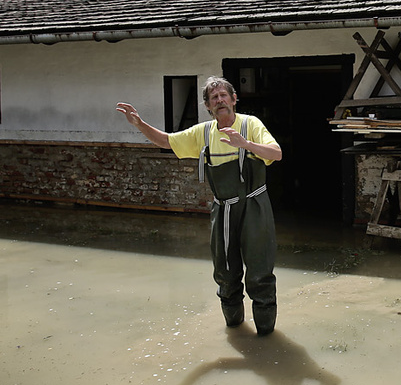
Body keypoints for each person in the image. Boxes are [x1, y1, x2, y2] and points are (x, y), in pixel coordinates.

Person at [116, 77, 283, 335]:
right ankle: (235, 331)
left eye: (224, 96)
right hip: (223, 210)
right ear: (208, 106)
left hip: (254, 206)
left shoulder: (251, 125)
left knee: (260, 274)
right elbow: (166, 141)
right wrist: (139, 124)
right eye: (214, 98)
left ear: (234, 99)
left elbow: (276, 153)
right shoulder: (203, 132)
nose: (220, 101)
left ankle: (266, 338)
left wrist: (246, 144)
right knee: (225, 276)